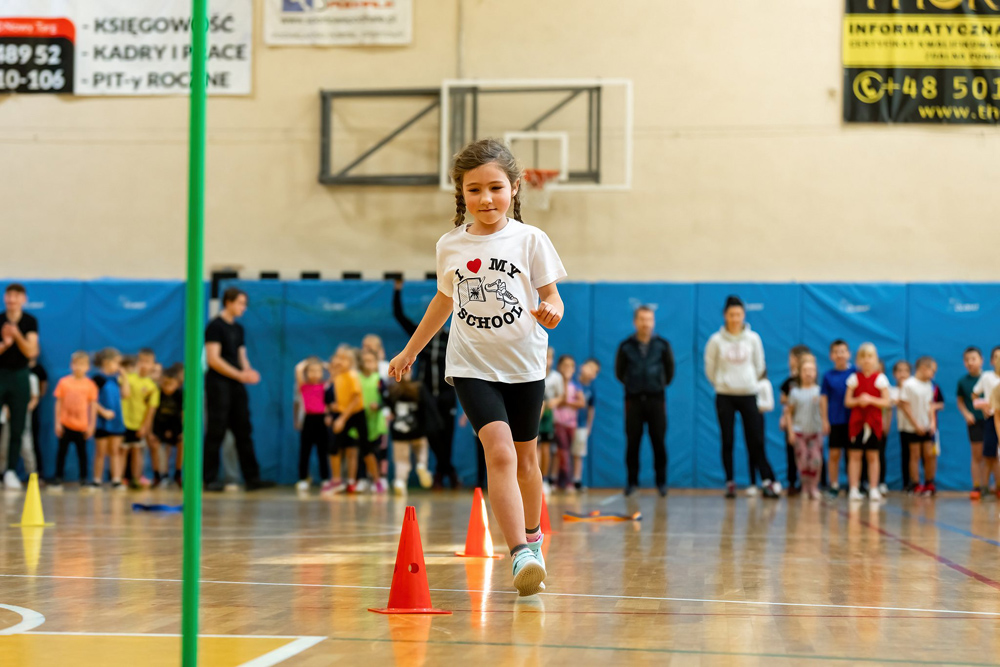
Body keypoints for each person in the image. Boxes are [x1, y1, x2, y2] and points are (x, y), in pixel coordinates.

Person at [388, 138, 566, 597]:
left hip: (524, 365)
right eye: (474, 190)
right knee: (500, 453)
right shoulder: (450, 245)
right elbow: (443, 302)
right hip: (471, 365)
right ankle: (520, 553)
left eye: (495, 188)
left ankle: (533, 538)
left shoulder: (530, 240)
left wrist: (552, 309)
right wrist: (410, 351)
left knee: (527, 460)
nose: (485, 198)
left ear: (514, 188)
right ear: (461, 193)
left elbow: (552, 296)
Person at [705, 296, 777, 499]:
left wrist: (748, 382)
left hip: (749, 394)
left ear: (743, 315)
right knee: (727, 439)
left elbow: (760, 365)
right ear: (725, 315)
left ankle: (766, 481)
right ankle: (730, 482)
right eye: (731, 314)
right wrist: (722, 383)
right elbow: (710, 369)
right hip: (725, 395)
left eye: (738, 314)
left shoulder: (753, 339)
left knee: (756, 439)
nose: (735, 318)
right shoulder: (715, 341)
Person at [204, 287, 274, 491]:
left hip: (236, 385)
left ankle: (253, 478)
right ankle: (208, 479)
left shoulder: (238, 329)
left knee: (244, 431)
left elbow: (242, 356)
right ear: (229, 302)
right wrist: (239, 375)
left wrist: (248, 372)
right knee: (216, 431)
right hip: (218, 384)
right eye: (241, 303)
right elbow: (213, 359)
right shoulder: (215, 326)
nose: (244, 308)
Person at [393, 279, 459, 489]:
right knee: (432, 431)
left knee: (447, 434)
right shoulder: (420, 336)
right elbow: (399, 315)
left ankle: (442, 472)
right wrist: (397, 290)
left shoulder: (452, 336)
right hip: (426, 393)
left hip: (448, 391)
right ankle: (447, 470)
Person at [616, 305, 675, 498]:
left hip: (656, 400)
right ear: (635, 322)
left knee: (659, 442)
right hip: (633, 401)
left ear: (653, 321)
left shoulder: (662, 345)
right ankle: (632, 483)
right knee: (632, 443)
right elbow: (619, 373)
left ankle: (661, 483)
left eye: (649, 319)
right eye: (642, 319)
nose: (646, 323)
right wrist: (634, 385)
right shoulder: (625, 346)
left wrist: (656, 384)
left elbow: (669, 372)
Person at [0, 283, 40, 489]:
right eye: (9, 295)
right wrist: (5, 344)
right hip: (1, 373)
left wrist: (16, 336)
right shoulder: (0, 319)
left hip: (20, 376)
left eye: (16, 296)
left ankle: (10, 471)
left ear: (24, 299)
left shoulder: (29, 321)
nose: (12, 299)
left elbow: (31, 351)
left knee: (18, 427)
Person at [330, 345, 382, 494]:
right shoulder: (337, 375)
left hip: (356, 413)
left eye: (344, 359)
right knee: (334, 447)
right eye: (338, 357)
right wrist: (336, 406)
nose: (340, 361)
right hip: (343, 412)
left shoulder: (352, 375)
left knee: (366, 449)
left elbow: (356, 399)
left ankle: (377, 481)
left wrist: (342, 419)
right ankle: (336, 481)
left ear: (351, 362)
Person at [844, 343, 891, 502]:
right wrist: (859, 400)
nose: (866, 360)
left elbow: (886, 402)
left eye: (870, 356)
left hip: (874, 423)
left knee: (873, 456)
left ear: (875, 359)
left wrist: (870, 399)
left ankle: (873, 488)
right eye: (863, 357)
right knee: (855, 455)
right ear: (858, 360)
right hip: (857, 423)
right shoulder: (853, 378)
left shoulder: (881, 379)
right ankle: (854, 488)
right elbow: (847, 402)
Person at [382, 367, 440, 495]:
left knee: (401, 460)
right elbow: (428, 407)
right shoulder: (418, 387)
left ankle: (400, 481)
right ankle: (421, 465)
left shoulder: (392, 389)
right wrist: (433, 425)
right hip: (417, 429)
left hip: (399, 430)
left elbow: (387, 407)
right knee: (421, 451)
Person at [51, 351, 98, 488]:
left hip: (82, 426)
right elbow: (58, 403)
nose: (79, 367)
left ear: (88, 367)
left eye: (82, 364)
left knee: (82, 454)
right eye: (76, 364)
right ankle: (58, 478)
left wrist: (91, 426)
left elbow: (93, 406)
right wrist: (57, 423)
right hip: (65, 424)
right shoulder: (64, 382)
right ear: (71, 365)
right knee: (61, 453)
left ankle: (83, 479)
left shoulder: (90, 385)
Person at [898, 356, 939, 496]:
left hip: (927, 426)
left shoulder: (929, 385)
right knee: (914, 455)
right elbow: (905, 406)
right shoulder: (909, 384)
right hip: (912, 427)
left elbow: (931, 406)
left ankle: (929, 482)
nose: (933, 374)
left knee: (929, 454)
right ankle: (915, 483)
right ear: (923, 368)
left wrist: (932, 423)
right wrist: (916, 425)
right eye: (932, 370)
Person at [122, 348, 160, 489]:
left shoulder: (152, 387)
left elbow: (151, 410)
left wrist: (145, 427)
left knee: (137, 451)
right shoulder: (128, 378)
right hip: (124, 423)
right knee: (122, 451)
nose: (144, 365)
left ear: (153, 365)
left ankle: (136, 478)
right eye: (141, 361)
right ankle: (120, 479)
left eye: (148, 362)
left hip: (138, 424)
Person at [821, 340, 854, 498]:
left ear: (849, 354)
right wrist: (825, 420)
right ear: (831, 355)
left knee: (853, 455)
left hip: (853, 421)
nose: (840, 354)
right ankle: (834, 485)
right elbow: (823, 398)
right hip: (835, 420)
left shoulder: (855, 373)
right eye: (836, 351)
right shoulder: (828, 376)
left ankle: (853, 485)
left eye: (843, 351)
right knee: (834, 454)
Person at [787, 357, 824, 499]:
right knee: (802, 462)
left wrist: (825, 423)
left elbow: (824, 410)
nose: (808, 373)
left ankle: (814, 487)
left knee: (815, 461)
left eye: (811, 370)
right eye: (805, 370)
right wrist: (791, 431)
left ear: (816, 372)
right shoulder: (795, 392)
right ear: (800, 373)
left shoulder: (820, 391)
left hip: (815, 432)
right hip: (799, 432)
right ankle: (805, 487)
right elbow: (789, 413)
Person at [92, 348, 128, 488]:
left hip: (116, 422)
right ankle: (97, 480)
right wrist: (103, 412)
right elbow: (91, 400)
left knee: (115, 451)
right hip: (102, 422)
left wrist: (125, 377)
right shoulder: (98, 379)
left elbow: (126, 394)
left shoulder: (116, 379)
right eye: (117, 363)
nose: (119, 366)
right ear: (107, 362)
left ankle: (116, 480)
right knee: (100, 452)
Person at [779, 345, 812, 495]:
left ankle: (815, 483)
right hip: (793, 423)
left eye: (791, 358)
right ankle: (792, 482)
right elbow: (784, 401)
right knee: (792, 452)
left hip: (809, 423)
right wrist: (784, 417)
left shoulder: (811, 381)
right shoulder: (790, 382)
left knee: (812, 453)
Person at [294, 357, 331, 492]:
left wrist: (323, 365)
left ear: (322, 372)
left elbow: (333, 373)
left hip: (322, 420)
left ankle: (325, 478)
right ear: (306, 373)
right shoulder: (303, 386)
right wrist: (307, 363)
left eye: (317, 371)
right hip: (308, 420)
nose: (314, 374)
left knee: (323, 451)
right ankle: (303, 478)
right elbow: (298, 369)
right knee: (305, 451)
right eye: (311, 371)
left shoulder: (325, 385)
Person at [149, 365, 184, 488]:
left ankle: (178, 474)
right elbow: (151, 413)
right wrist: (151, 432)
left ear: (177, 384)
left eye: (171, 384)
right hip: (159, 425)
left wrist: (183, 431)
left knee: (182, 444)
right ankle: (157, 475)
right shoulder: (157, 393)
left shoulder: (180, 394)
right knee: (154, 445)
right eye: (165, 384)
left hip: (175, 426)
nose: (167, 387)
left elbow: (184, 414)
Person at [552, 355, 584, 492]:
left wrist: (569, 403)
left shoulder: (576, 385)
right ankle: (565, 482)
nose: (568, 368)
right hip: (559, 422)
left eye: (571, 365)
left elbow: (581, 402)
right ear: (559, 367)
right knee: (562, 451)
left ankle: (563, 482)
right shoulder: (556, 383)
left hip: (572, 423)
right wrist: (564, 381)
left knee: (567, 451)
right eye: (565, 365)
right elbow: (560, 400)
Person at [359, 349, 390, 489]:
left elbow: (386, 399)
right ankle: (362, 478)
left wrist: (378, 405)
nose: (368, 364)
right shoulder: (357, 378)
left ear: (376, 363)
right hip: (361, 420)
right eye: (365, 361)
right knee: (361, 451)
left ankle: (376, 479)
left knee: (376, 451)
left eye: (371, 361)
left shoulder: (379, 380)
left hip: (376, 421)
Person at [972, 347, 1000, 498]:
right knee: (989, 455)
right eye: (996, 357)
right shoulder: (987, 377)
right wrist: (983, 407)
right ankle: (984, 487)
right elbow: (974, 395)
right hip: (991, 419)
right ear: (991, 361)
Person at [573, 359, 600, 492]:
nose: (590, 371)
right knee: (562, 451)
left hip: (581, 424)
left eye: (594, 370)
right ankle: (558, 480)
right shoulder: (572, 382)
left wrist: (589, 426)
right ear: (582, 366)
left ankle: (576, 480)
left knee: (578, 453)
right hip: (567, 422)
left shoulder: (591, 389)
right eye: (589, 367)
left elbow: (591, 409)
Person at [748, 369, 775, 495]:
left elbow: (769, 404)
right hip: (748, 417)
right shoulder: (748, 383)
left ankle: (769, 480)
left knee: (759, 448)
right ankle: (753, 483)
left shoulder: (764, 383)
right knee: (750, 449)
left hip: (758, 417)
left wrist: (754, 407)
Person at [539, 347, 561, 495]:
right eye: (545, 357)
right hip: (533, 416)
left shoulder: (556, 377)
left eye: (550, 358)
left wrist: (553, 402)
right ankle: (534, 479)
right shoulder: (533, 373)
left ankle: (544, 479)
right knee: (534, 448)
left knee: (546, 448)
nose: (547, 361)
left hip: (547, 418)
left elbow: (561, 396)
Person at [890, 360, 912, 489]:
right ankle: (906, 483)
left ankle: (919, 483)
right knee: (906, 454)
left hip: (916, 427)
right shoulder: (892, 390)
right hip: (902, 427)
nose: (902, 374)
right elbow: (894, 402)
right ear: (894, 374)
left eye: (906, 371)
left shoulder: (914, 389)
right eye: (899, 371)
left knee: (916, 455)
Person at [29, 359, 47, 480]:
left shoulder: (34, 376)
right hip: (9, 414)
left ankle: (36, 473)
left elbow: (39, 394)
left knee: (32, 443)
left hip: (30, 414)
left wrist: (26, 409)